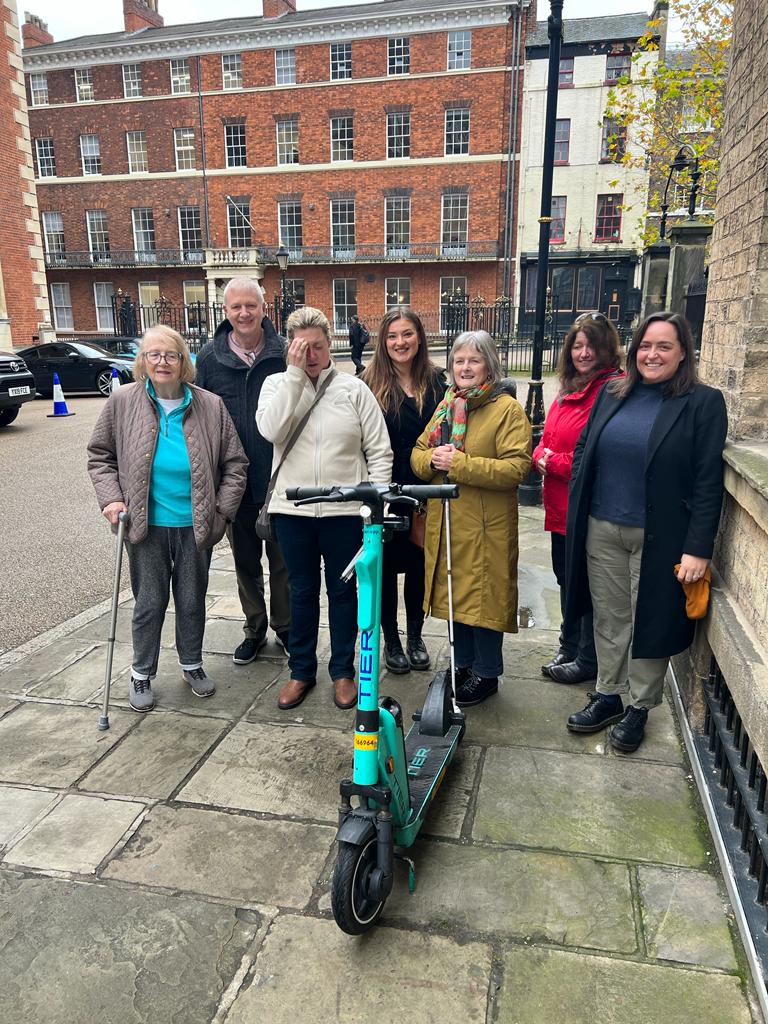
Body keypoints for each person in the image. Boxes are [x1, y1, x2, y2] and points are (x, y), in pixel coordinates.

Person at [564, 311, 727, 752]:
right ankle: (609, 694)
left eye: (664, 346)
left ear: (682, 354)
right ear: (634, 350)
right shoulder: (613, 392)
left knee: (649, 619)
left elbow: (708, 480)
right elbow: (584, 450)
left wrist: (698, 548)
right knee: (610, 616)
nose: (652, 354)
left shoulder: (702, 403)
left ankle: (639, 706)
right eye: (645, 345)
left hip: (662, 535)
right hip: (603, 527)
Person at [87, 325, 248, 712]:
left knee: (192, 600)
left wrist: (222, 513)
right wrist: (111, 499)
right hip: (145, 524)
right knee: (149, 601)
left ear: (184, 363)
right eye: (153, 354)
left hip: (196, 525)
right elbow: (100, 456)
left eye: (171, 355)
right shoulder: (123, 401)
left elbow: (236, 464)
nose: (162, 362)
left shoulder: (209, 405)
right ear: (143, 361)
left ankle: (191, 664)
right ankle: (141, 672)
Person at [256, 306, 393, 711]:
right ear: (289, 347)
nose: (311, 354)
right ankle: (301, 671)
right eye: (302, 348)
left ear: (329, 344)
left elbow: (379, 451)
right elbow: (271, 431)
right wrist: (295, 379)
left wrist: (375, 505)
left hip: (345, 512)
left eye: (317, 346)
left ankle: (343, 671)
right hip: (293, 510)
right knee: (300, 592)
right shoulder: (276, 385)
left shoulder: (354, 389)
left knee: (344, 592)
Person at [411, 330, 532, 707]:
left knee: (484, 600)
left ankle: (486, 672)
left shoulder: (506, 409)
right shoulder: (448, 405)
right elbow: (418, 453)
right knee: (456, 596)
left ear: (489, 366)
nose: (465, 367)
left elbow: (517, 468)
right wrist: (431, 460)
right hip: (449, 521)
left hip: (485, 526)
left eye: (473, 360)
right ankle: (463, 665)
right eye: (459, 360)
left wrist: (458, 464)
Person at [195, 277, 291, 666]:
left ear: (263, 308)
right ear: (226, 311)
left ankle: (285, 628)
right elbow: (197, 416)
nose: (244, 313)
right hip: (233, 481)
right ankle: (254, 627)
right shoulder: (208, 358)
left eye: (251, 305)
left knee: (284, 562)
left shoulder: (284, 352)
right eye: (236, 307)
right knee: (245, 562)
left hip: (281, 476)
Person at [533, 312, 622, 684]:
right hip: (559, 507)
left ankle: (587, 658)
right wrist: (540, 452)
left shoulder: (613, 389)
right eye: (577, 346)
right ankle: (568, 645)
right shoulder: (570, 387)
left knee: (585, 584)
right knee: (565, 578)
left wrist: (553, 462)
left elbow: (602, 454)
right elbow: (548, 437)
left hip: (586, 507)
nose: (583, 353)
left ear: (606, 349)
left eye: (591, 346)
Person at [362, 306, 445, 674]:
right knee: (383, 570)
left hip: (424, 488)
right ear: (383, 342)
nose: (400, 342)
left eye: (407, 334)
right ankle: (390, 640)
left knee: (417, 566)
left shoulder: (438, 381)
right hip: (383, 488)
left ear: (419, 338)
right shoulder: (367, 382)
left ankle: (415, 634)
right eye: (393, 336)